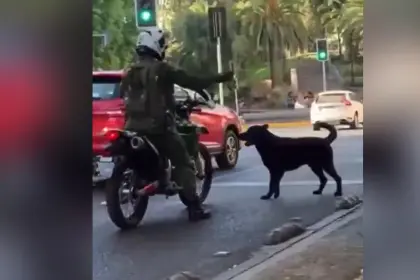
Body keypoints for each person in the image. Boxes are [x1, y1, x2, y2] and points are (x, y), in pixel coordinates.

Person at [119, 27, 234, 221]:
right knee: (183, 162)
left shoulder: (129, 71)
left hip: (131, 127)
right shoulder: (162, 69)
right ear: (156, 46)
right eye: (163, 44)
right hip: (158, 129)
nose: (164, 48)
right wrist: (220, 77)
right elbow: (192, 81)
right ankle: (194, 208)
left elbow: (125, 97)